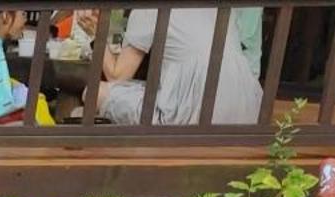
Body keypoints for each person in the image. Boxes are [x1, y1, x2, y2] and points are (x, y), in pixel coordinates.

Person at [86, 6, 264, 125]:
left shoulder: (148, 9)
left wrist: (98, 35)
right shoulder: (222, 7)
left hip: (195, 114)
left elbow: (117, 76)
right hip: (247, 108)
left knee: (95, 92)